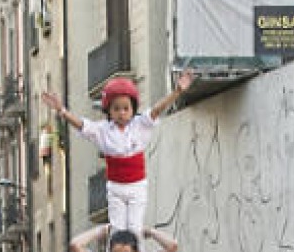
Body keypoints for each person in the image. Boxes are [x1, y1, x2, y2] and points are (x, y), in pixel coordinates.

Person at [42, 70, 194, 242]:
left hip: (137, 186)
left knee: (135, 229)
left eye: (126, 108)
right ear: (108, 110)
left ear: (133, 109)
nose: (121, 113)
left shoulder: (140, 124)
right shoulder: (103, 130)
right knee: (117, 230)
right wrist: (62, 110)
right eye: (116, 109)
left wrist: (177, 92)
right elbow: (81, 125)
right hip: (115, 187)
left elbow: (158, 109)